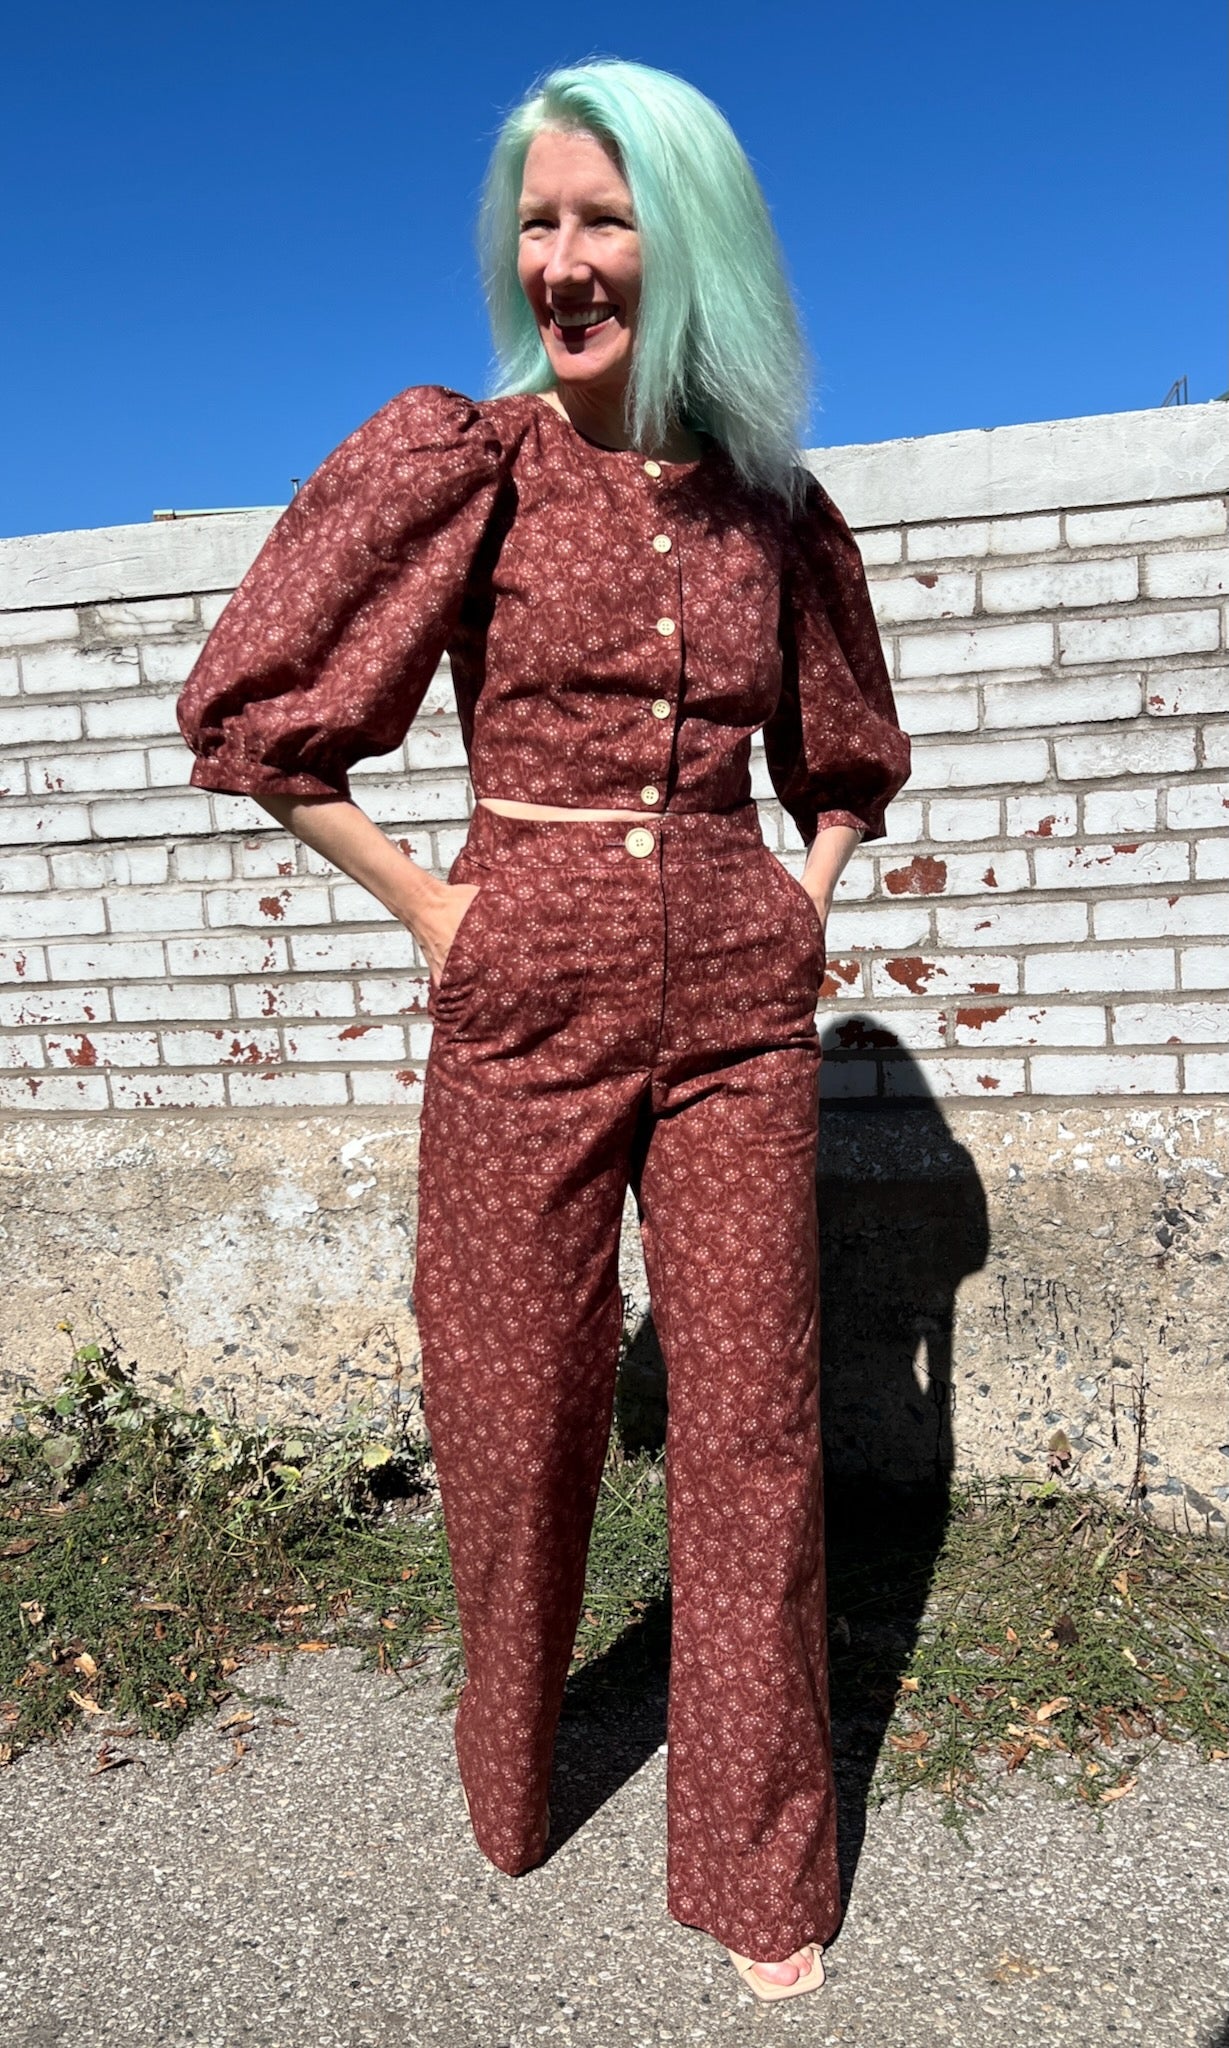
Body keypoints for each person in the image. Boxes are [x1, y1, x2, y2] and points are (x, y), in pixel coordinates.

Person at [176, 57, 910, 2004]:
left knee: (752, 1429)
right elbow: (257, 715)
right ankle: (510, 1769)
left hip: (740, 1014)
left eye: (606, 220)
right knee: (514, 1414)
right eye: (540, 222)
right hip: (521, 1004)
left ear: (695, 246)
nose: (564, 261)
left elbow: (844, 751)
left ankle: (758, 1865)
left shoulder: (771, 509)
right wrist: (436, 910)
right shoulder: (471, 459)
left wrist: (805, 895)